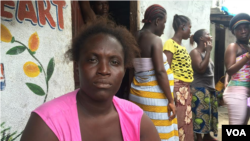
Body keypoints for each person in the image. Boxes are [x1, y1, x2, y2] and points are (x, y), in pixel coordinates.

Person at [20, 18, 161, 141]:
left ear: (123, 71)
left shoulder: (137, 120)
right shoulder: (47, 123)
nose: (104, 70)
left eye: (114, 62)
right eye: (92, 60)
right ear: (77, 67)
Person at [129, 4, 179, 141]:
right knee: (159, 133)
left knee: (143, 132)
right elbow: (160, 72)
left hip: (137, 92)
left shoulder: (133, 36)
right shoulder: (155, 40)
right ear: (157, 21)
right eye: (164, 22)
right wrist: (170, 100)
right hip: (154, 97)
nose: (164, 27)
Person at [163, 14, 194, 141]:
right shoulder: (170, 43)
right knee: (179, 122)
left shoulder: (182, 47)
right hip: (177, 89)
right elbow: (166, 68)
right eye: (189, 27)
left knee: (185, 122)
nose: (190, 31)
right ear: (183, 26)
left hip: (185, 90)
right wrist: (171, 92)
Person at [189, 29, 218, 141]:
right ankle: (199, 138)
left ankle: (207, 136)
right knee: (200, 114)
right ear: (201, 38)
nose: (210, 36)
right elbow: (200, 69)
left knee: (209, 114)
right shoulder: (195, 52)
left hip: (209, 88)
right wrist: (209, 52)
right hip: (199, 88)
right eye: (207, 34)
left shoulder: (205, 53)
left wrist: (207, 52)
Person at [224, 13, 250, 125]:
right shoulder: (233, 47)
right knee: (235, 130)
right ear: (233, 32)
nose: (243, 31)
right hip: (237, 91)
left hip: (248, 92)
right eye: (239, 29)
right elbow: (229, 70)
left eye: (246, 28)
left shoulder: (248, 46)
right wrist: (247, 56)